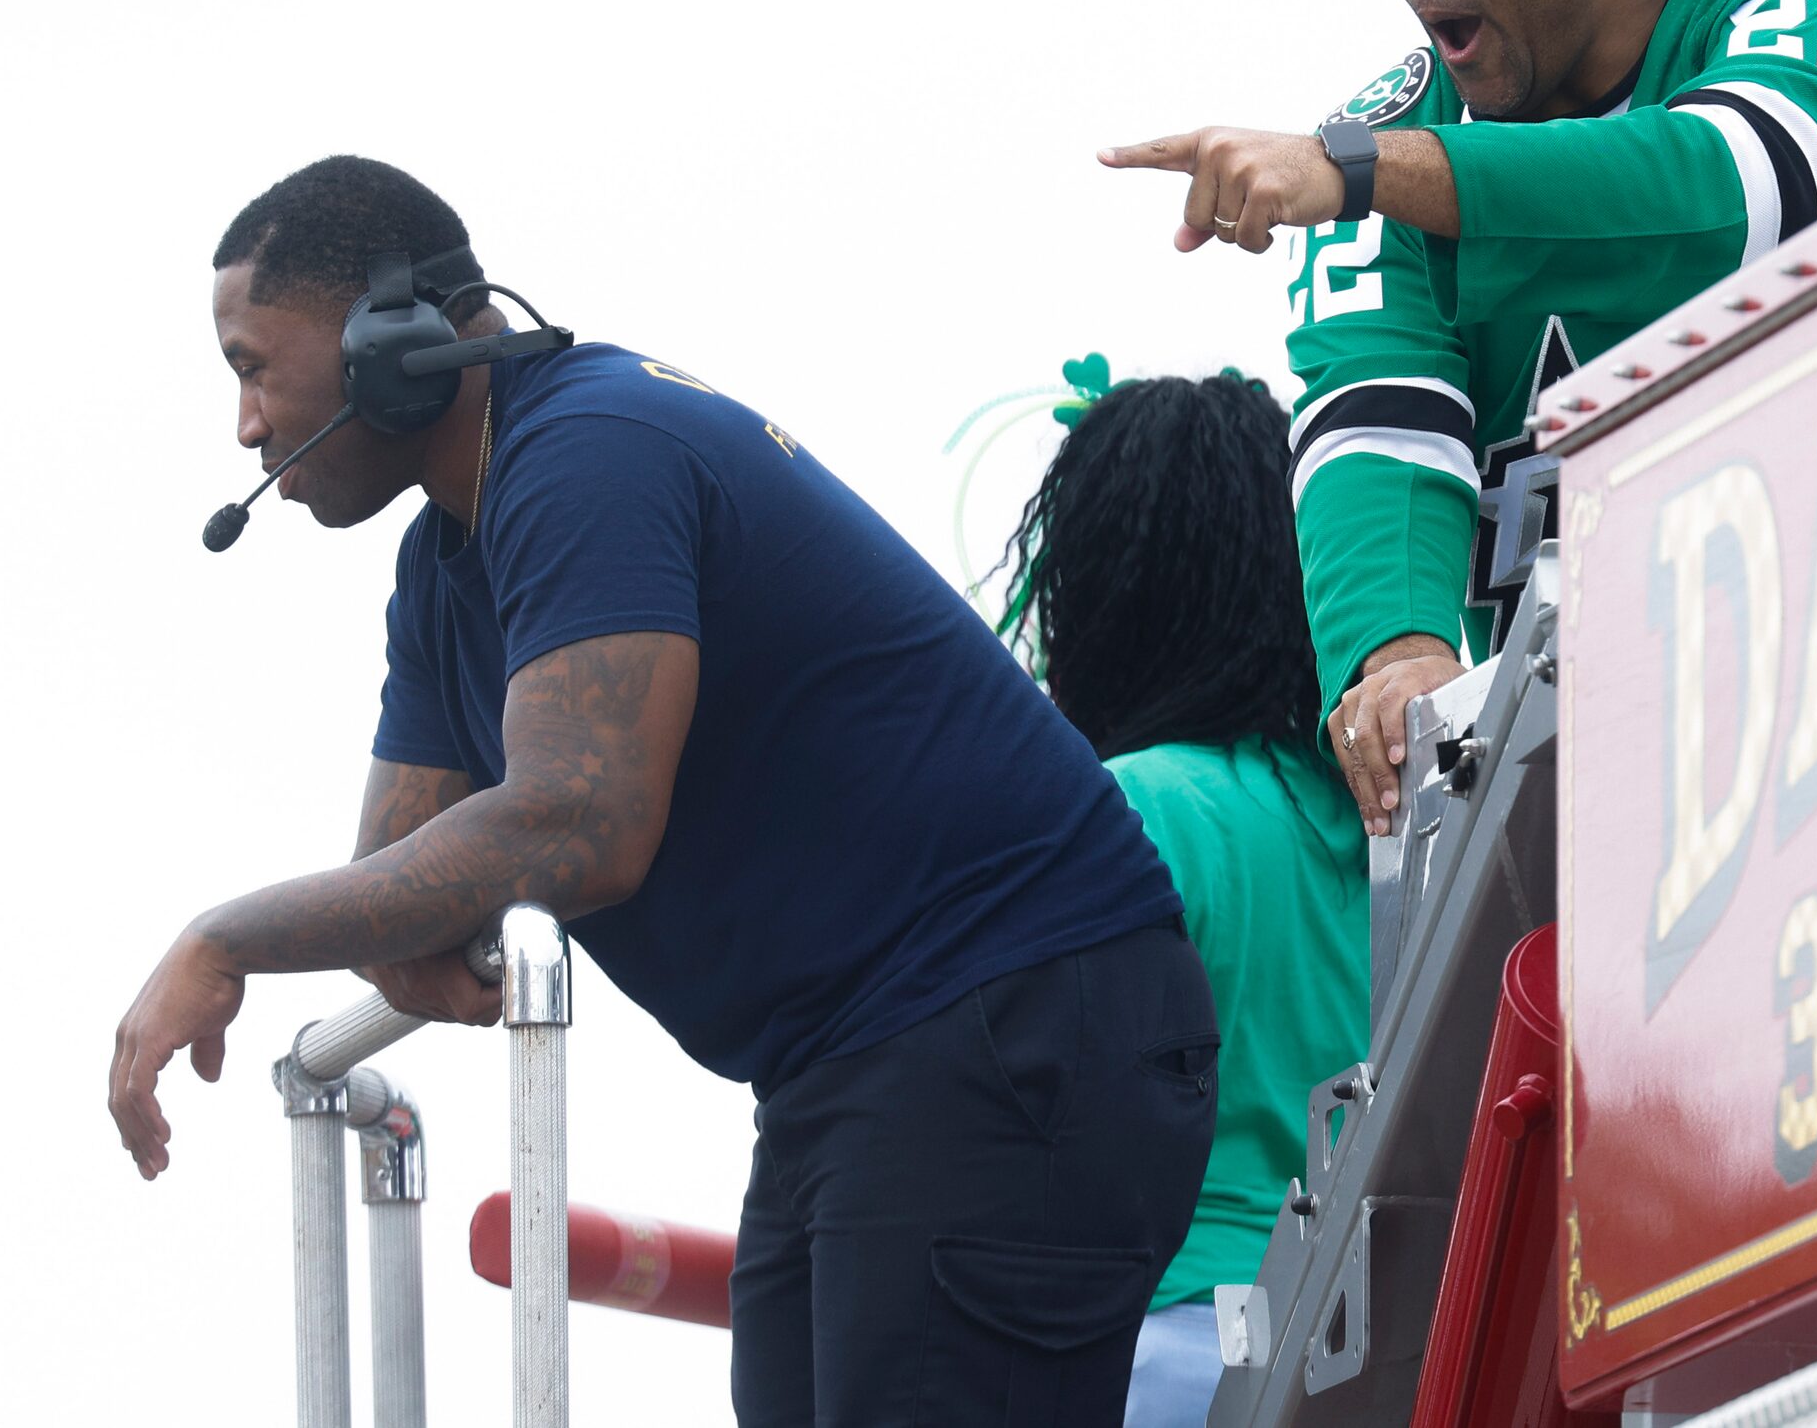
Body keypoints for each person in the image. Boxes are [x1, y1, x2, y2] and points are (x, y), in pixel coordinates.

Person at [107, 155, 1215, 1426]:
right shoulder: (444, 562)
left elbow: (576, 827)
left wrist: (226, 938)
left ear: (384, 344)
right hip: (858, 1063)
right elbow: (401, 875)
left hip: (1001, 1018)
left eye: (253, 364)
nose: (246, 426)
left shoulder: (588, 452)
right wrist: (398, 918)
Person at [1102, 0, 1817, 828]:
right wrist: (1400, 660)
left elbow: (1737, 184)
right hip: (1606, 798)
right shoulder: (1377, 145)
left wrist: (1363, 173)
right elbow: (1375, 422)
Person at [997, 369, 1369, 1427]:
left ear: (1106, 585)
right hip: (1383, 1351)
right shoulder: (1387, 811)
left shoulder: (1123, 813)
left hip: (1156, 1354)